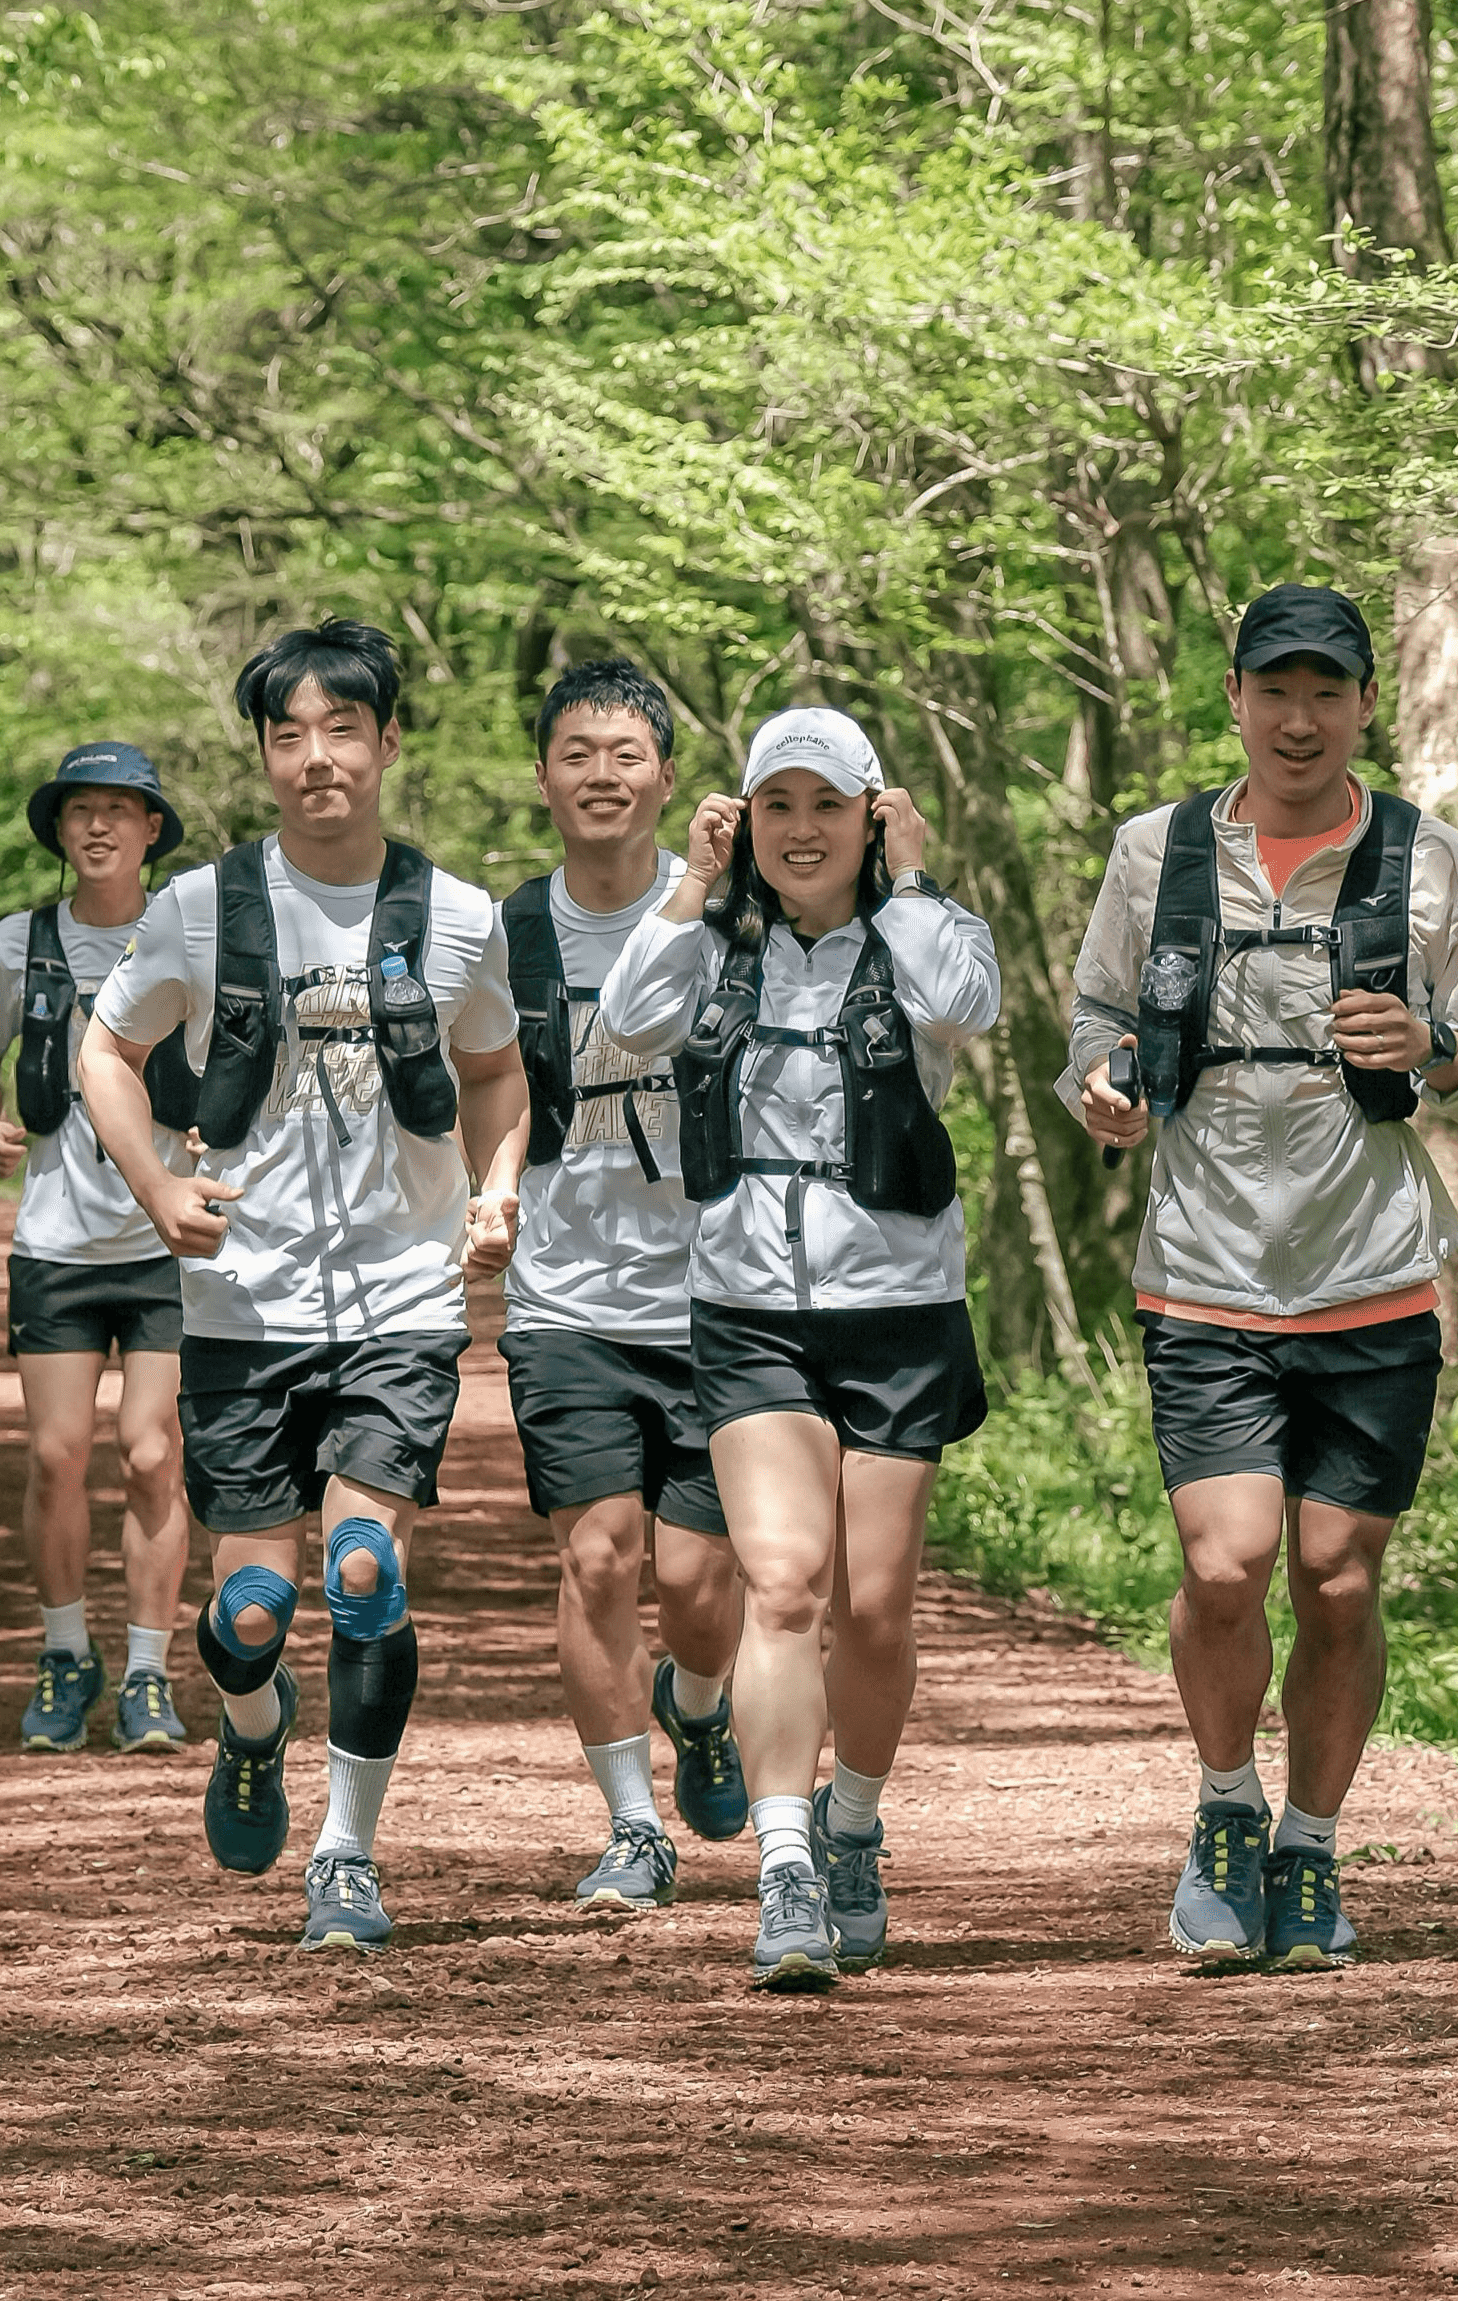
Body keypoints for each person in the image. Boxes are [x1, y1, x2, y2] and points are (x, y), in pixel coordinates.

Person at [1065, 584, 1458, 1973]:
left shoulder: (1434, 865)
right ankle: (1223, 1812)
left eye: (1328, 692)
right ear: (1234, 697)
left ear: (1368, 705)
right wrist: (1099, 1084)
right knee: (1227, 1564)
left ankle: (1312, 1845)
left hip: (1374, 1277)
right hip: (1201, 1272)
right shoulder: (1155, 856)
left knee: (1335, 1578)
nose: (1300, 718)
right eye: (1276, 690)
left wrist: (1436, 1049)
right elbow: (1095, 1015)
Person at [81, 621, 528, 1954]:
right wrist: (157, 1189)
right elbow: (109, 1055)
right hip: (241, 1308)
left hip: (402, 1298)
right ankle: (255, 1725)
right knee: (258, 1609)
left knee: (367, 1567)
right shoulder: (199, 909)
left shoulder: (455, 917)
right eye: (290, 735)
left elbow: (497, 1071)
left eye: (344, 730)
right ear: (267, 754)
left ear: (389, 744)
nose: (318, 757)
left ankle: (348, 1853)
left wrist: (497, 1189)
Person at [598, 706, 1001, 1991]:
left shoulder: (919, 934)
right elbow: (623, 1020)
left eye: (830, 806)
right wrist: (693, 879)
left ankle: (853, 1827)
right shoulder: (715, 940)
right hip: (748, 1310)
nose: (803, 830)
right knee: (783, 1582)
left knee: (873, 1608)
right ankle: (783, 1867)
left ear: (870, 816)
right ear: (748, 820)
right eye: (779, 806)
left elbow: (967, 1004)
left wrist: (917, 874)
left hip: (897, 1312)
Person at [495, 658, 748, 1912]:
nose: (603, 774)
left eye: (627, 753)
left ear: (664, 773)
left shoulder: (732, 914)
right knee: (599, 1559)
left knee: (702, 1592)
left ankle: (695, 1705)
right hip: (564, 1301)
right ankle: (631, 1825)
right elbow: (457, 1101)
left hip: (719, 1294)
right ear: (542, 776)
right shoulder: (500, 934)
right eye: (577, 753)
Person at [0, 739, 196, 1757]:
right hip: (54, 1241)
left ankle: (147, 1670)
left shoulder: (193, 935)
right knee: (56, 1457)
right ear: (59, 831)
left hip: (170, 1242)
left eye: (120, 809)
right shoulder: (19, 945)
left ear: (151, 831)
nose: (98, 826)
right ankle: (64, 1652)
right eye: (79, 810)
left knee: (150, 1453)